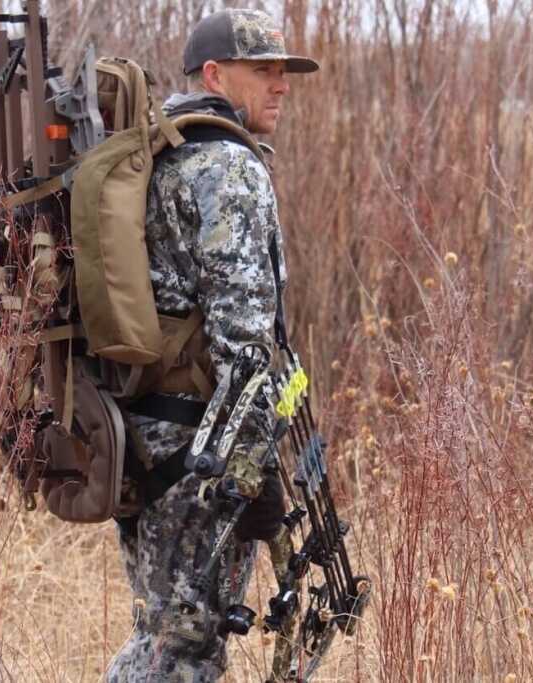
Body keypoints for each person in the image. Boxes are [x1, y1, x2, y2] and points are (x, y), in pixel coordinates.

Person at [107, 9, 319, 681]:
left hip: (146, 435)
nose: (279, 86)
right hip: (201, 453)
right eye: (263, 72)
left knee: (163, 633)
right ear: (213, 73)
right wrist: (250, 473)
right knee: (186, 648)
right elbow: (245, 342)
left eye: (283, 73)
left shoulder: (162, 152)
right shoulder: (229, 169)